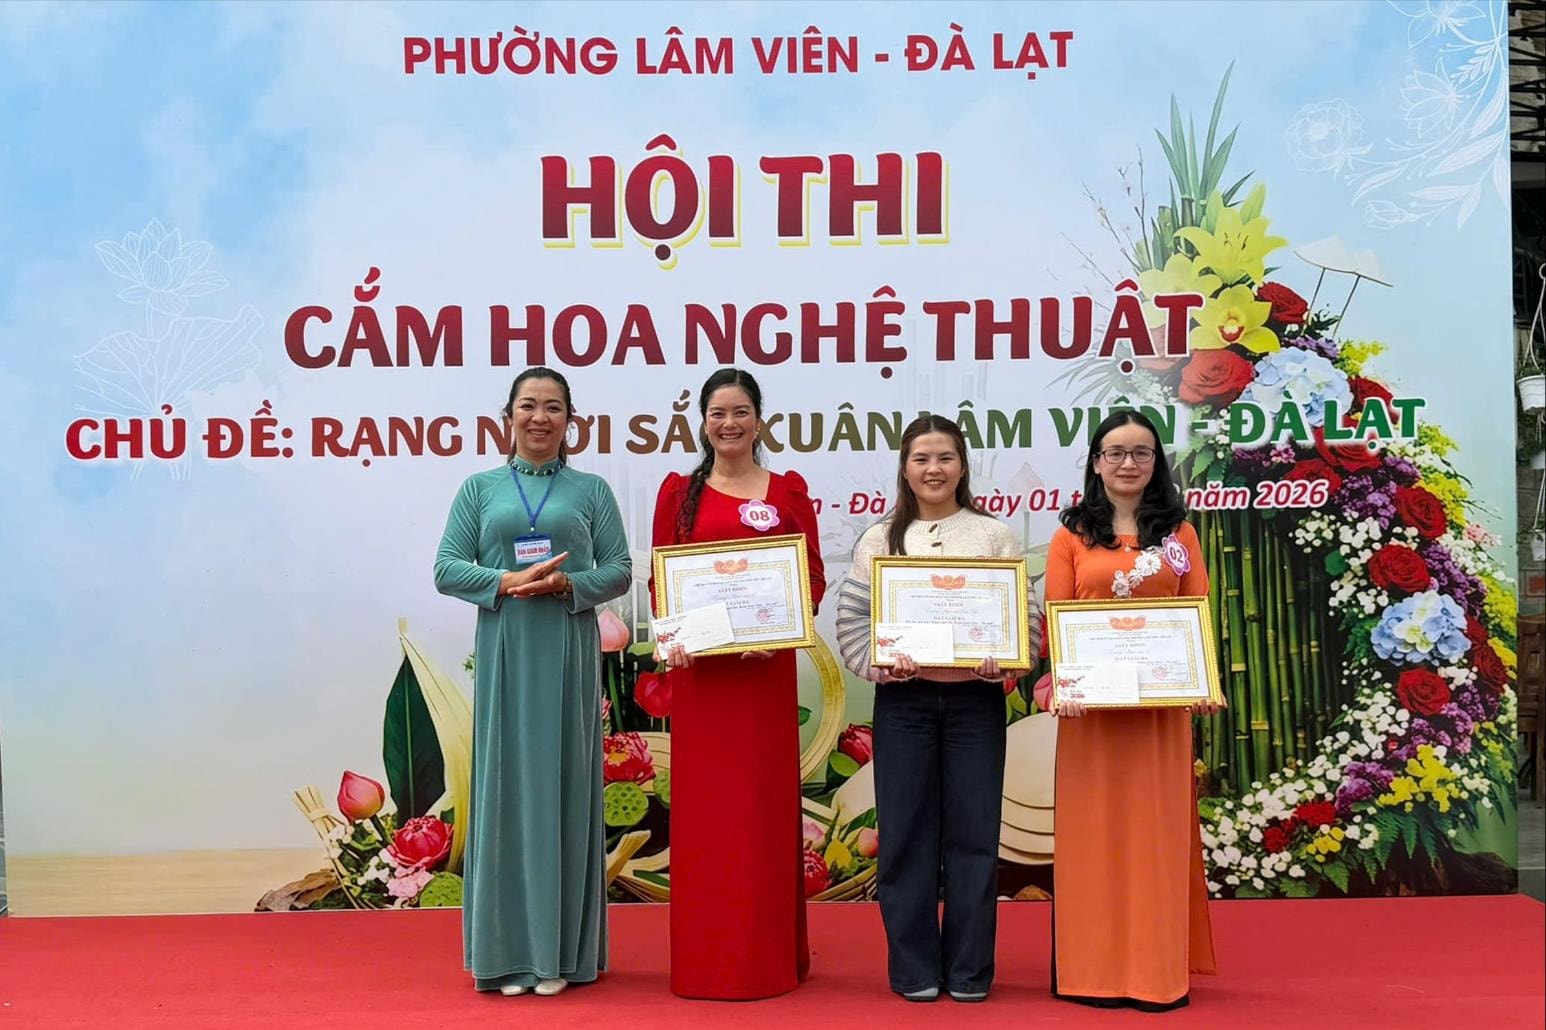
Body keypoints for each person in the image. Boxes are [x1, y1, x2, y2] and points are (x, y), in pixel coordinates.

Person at [434, 367, 631, 997]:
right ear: (509, 416)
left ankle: (558, 956)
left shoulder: (591, 490)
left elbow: (620, 569)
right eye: (528, 405)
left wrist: (571, 583)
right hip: (506, 647)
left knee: (563, 784)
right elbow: (446, 568)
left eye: (553, 407)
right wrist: (505, 581)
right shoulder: (479, 488)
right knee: (506, 787)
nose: (539, 417)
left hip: (568, 646)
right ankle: (505, 955)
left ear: (571, 420)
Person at [835, 414, 1028, 1003]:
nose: (933, 469)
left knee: (974, 836)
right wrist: (881, 664)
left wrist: (1006, 662)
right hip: (905, 703)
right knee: (904, 836)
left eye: (945, 457)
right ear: (905, 468)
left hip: (975, 704)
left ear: (962, 466)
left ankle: (970, 971)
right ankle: (913, 969)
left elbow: (1026, 622)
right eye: (921, 458)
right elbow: (851, 624)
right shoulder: (879, 539)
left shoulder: (993, 536)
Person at [650, 368, 826, 1000]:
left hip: (763, 677)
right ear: (702, 423)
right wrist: (679, 635)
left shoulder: (787, 490)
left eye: (741, 412)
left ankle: (765, 958)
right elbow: (661, 582)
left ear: (759, 421)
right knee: (708, 820)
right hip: (705, 684)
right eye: (718, 413)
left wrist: (778, 629)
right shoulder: (678, 493)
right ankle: (707, 961)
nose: (730, 423)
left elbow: (810, 576)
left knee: (760, 814)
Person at [1044, 409, 1220, 1011]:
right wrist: (1060, 683)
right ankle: (1091, 971)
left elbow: (1197, 613)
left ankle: (1154, 973)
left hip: (1158, 717)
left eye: (1141, 452)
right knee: (1092, 840)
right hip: (1091, 719)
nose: (1127, 463)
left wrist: (1203, 680)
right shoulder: (1071, 535)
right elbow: (1057, 620)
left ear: (1156, 463)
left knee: (1154, 839)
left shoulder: (1180, 535)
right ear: (1096, 462)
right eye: (1115, 452)